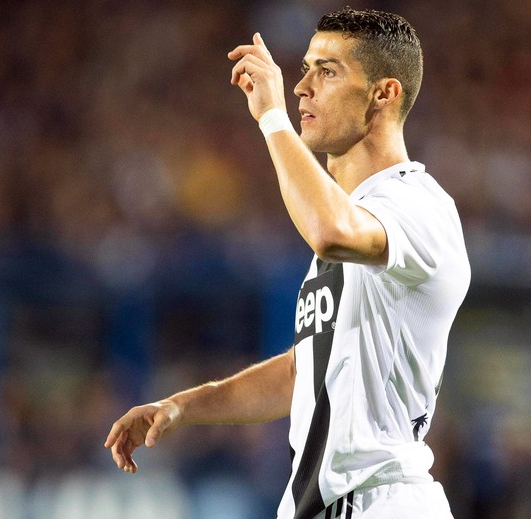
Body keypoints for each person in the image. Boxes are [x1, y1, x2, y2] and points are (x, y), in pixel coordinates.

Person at [104, 7, 470, 518]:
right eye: (304, 68)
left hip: (380, 502)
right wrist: (182, 407)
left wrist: (273, 118)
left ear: (384, 94)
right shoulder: (358, 222)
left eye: (328, 71)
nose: (301, 87)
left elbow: (330, 231)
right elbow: (306, 371)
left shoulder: (419, 205)